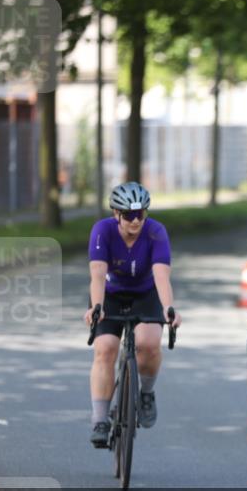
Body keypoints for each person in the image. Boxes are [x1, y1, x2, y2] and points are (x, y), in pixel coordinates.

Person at [84, 182, 182, 448]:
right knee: (105, 348)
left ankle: (147, 393)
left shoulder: (156, 232)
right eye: (129, 215)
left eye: (141, 214)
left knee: (148, 343)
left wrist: (168, 308)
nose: (136, 220)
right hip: (110, 295)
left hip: (146, 293)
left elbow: (162, 276)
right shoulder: (102, 231)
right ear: (116, 214)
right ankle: (100, 419)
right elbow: (96, 275)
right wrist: (96, 307)